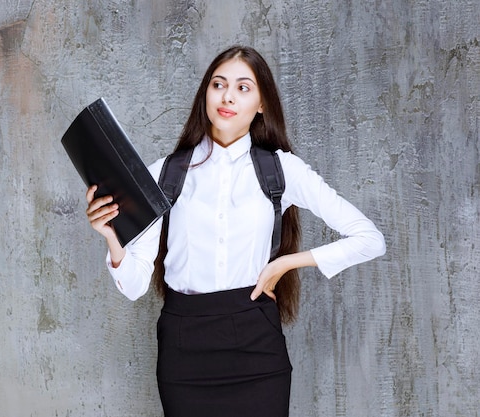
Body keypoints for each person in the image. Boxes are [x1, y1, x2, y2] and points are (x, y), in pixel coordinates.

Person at [85, 46, 386, 417]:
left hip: (257, 345)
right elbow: (133, 286)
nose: (227, 96)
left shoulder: (281, 171)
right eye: (218, 84)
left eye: (244, 88)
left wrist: (285, 264)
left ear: (262, 104)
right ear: (205, 95)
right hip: (184, 348)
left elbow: (370, 239)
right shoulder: (165, 173)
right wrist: (111, 238)